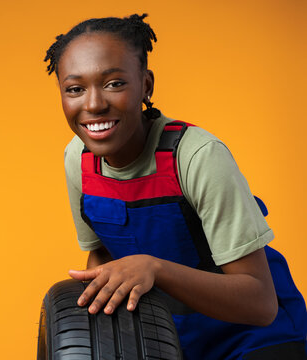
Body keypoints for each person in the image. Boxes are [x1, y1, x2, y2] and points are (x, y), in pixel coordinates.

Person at [44, 14, 307, 359]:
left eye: (114, 83)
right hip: (168, 342)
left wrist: (155, 267)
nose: (93, 105)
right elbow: (102, 258)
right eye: (75, 89)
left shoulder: (197, 156)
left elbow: (260, 304)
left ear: (146, 85)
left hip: (258, 340)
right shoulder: (77, 158)